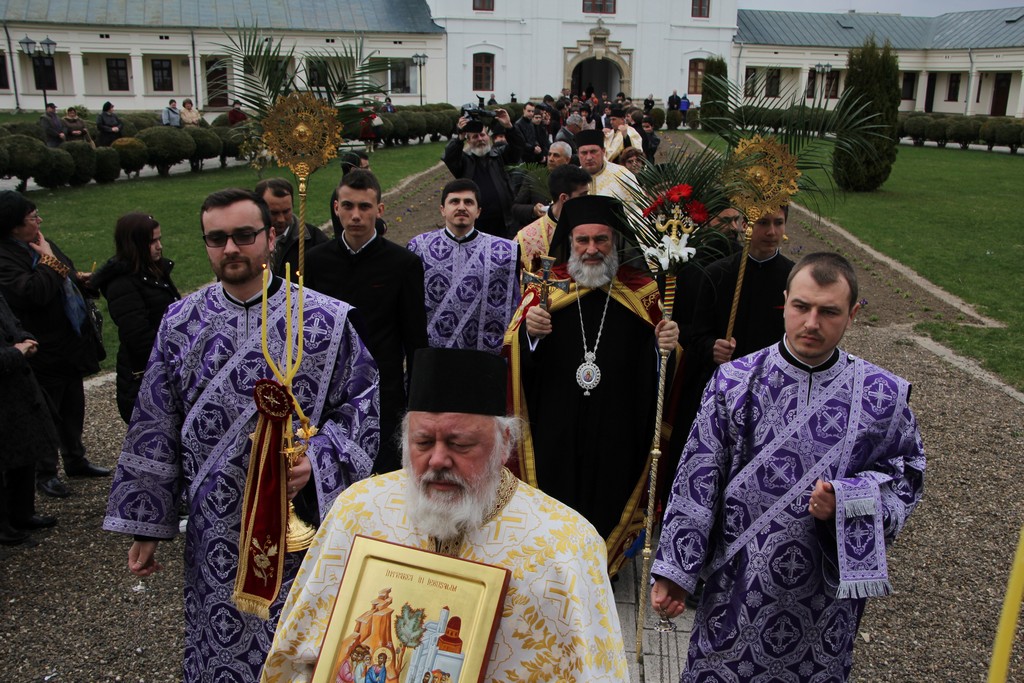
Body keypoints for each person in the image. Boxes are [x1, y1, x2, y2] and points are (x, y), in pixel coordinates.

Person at [102, 188, 380, 683]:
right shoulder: (181, 321)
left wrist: (315, 459)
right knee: (219, 641)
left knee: (300, 640)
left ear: (270, 238)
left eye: (244, 235)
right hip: (214, 528)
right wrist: (147, 522)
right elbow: (154, 422)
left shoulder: (325, 319)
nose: (231, 248)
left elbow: (362, 406)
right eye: (217, 238)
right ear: (206, 244)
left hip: (301, 523)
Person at [261, 347, 628, 682]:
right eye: (423, 443)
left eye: (459, 444)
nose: (437, 460)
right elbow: (299, 652)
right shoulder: (357, 511)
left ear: (504, 445)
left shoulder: (565, 545)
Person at [651, 252, 926, 682]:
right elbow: (696, 479)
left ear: (852, 314)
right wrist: (675, 571)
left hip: (823, 603)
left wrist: (849, 501)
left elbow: (907, 475)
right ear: (785, 302)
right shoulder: (733, 382)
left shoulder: (883, 396)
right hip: (735, 589)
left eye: (829, 312)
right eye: (801, 307)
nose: (811, 323)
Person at [504, 194, 679, 575]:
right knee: (553, 495)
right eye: (582, 241)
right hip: (555, 424)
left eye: (601, 240)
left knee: (608, 493)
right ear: (569, 244)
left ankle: (601, 570)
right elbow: (513, 355)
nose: (592, 249)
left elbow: (663, 370)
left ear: (616, 243)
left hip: (616, 426)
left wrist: (664, 347)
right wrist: (529, 336)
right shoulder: (546, 292)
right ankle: (550, 568)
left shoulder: (643, 294)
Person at [305, 170, 427, 474]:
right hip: (328, 394)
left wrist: (418, 402)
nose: (355, 215)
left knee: (381, 477)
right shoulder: (315, 261)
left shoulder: (403, 264)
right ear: (336, 208)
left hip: (383, 393)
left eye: (364, 207)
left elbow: (415, 339)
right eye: (347, 206)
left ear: (379, 210)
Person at [0, 191, 109, 500]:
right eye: (33, 218)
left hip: (67, 343)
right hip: (40, 346)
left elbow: (64, 272)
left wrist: (78, 278)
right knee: (47, 411)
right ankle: (45, 473)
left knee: (73, 405)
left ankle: (76, 458)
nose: (39, 222)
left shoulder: (37, 243)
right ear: (13, 226)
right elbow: (31, 292)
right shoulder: (6, 258)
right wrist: (49, 261)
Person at [407, 179, 520, 355]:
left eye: (468, 202)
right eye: (454, 202)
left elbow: (514, 306)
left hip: (481, 357)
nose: (461, 207)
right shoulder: (419, 247)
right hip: (431, 356)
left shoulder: (503, 252)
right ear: (442, 210)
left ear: (478, 212)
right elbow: (408, 303)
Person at [92, 212, 181, 423]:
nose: (159, 246)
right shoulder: (122, 283)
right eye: (152, 241)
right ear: (134, 244)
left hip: (164, 366)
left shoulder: (153, 270)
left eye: (160, 239)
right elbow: (138, 336)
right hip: (145, 375)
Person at [0, 291, 60, 544]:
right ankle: (4, 526)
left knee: (24, 454)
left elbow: (13, 322)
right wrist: (17, 352)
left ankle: (22, 513)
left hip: (15, 390)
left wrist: (26, 339)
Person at [442, 108, 524, 238]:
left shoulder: (500, 156)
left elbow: (518, 146)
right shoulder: (464, 162)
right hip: (475, 224)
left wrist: (509, 126)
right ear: (468, 141)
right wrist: (460, 136)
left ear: (488, 137)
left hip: (504, 223)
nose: (480, 139)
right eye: (475, 136)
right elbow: (449, 157)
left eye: (482, 135)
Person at [514, 164, 590, 273]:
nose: (588, 201)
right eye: (583, 195)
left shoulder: (594, 227)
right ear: (564, 198)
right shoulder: (525, 239)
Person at [256, 177, 330, 279]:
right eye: (274, 213)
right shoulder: (247, 239)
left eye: (286, 211)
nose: (281, 219)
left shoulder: (315, 240)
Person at [510, 140, 574, 228]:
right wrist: (533, 210)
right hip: (540, 230)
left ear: (567, 159)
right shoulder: (534, 177)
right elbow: (515, 208)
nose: (551, 159)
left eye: (556, 155)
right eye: (549, 154)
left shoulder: (575, 179)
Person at [576, 129, 638, 206]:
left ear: (603, 151)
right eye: (584, 153)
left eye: (593, 152)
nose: (589, 157)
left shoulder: (623, 175)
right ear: (578, 154)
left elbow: (639, 210)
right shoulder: (571, 179)